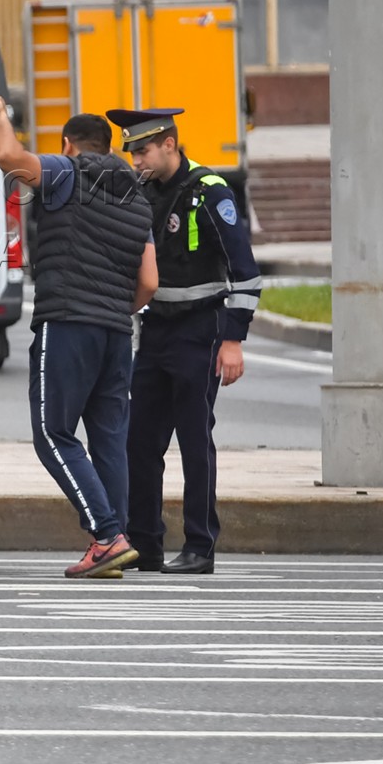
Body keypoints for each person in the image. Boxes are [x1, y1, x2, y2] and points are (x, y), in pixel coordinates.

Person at [0, 97, 157, 579]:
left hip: (67, 323)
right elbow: (149, 284)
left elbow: (8, 158)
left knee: (53, 433)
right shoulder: (136, 196)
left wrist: (1, 113)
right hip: (117, 333)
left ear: (68, 145)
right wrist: (109, 308)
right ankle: (113, 544)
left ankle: (106, 535)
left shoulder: (67, 173)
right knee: (108, 440)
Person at [109, 107, 264, 576]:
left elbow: (245, 271)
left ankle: (200, 546)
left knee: (195, 440)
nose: (137, 160)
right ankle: (146, 543)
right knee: (140, 440)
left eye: (143, 151)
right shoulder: (143, 194)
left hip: (202, 329)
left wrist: (233, 341)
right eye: (132, 152)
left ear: (170, 145)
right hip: (157, 330)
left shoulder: (210, 193)